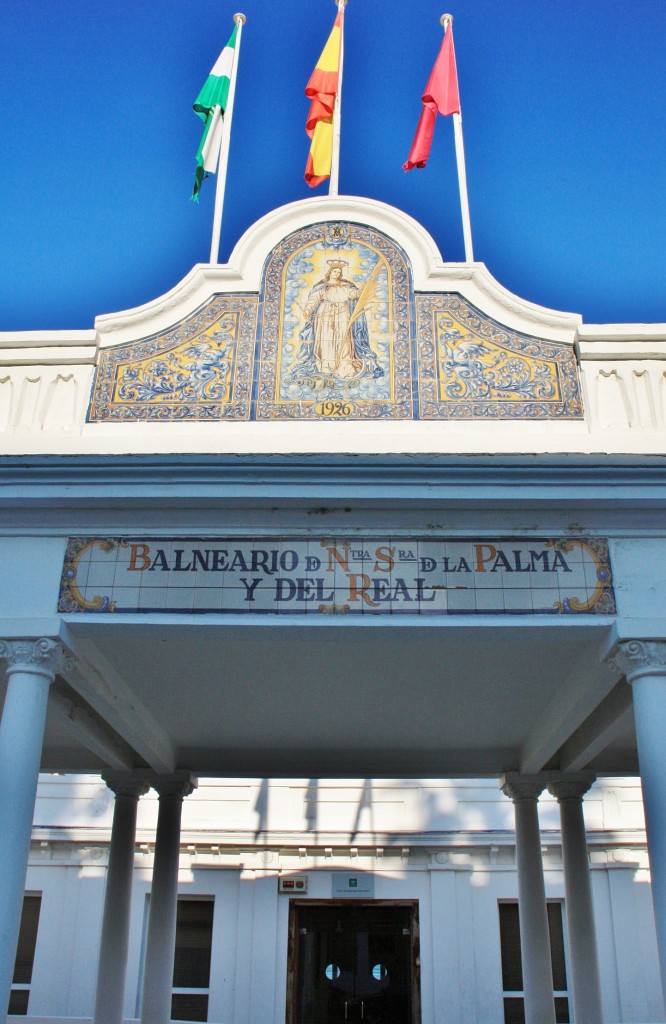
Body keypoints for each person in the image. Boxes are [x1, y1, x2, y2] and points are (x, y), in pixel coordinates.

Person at [293, 260, 381, 381]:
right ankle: (327, 367)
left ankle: (345, 367)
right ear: (330, 272)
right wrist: (308, 311)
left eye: (339, 272)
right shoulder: (322, 287)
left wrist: (364, 288)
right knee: (326, 340)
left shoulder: (345, 286)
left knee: (343, 339)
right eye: (334, 271)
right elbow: (314, 299)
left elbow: (354, 294)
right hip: (324, 314)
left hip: (343, 313)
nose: (336, 273)